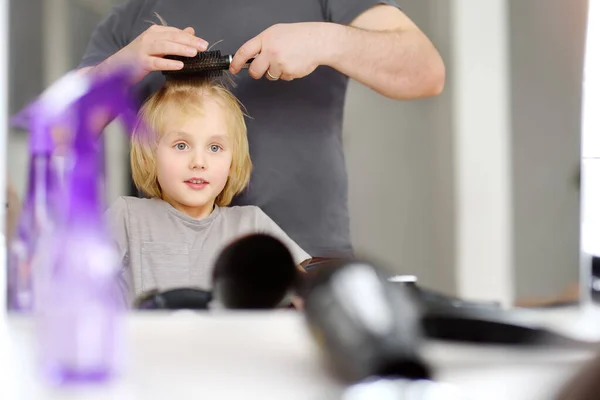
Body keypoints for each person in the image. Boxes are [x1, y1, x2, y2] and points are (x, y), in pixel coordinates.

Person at [79, 0, 445, 264]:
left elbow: (425, 71)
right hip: (165, 268)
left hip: (307, 264)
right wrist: (118, 68)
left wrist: (324, 41)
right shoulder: (132, 14)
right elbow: (59, 134)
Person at [107, 76, 311, 306]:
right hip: (150, 342)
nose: (199, 162)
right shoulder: (128, 216)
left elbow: (307, 295)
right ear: (149, 157)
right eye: (181, 145)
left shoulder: (251, 224)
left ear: (232, 163)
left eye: (215, 148)